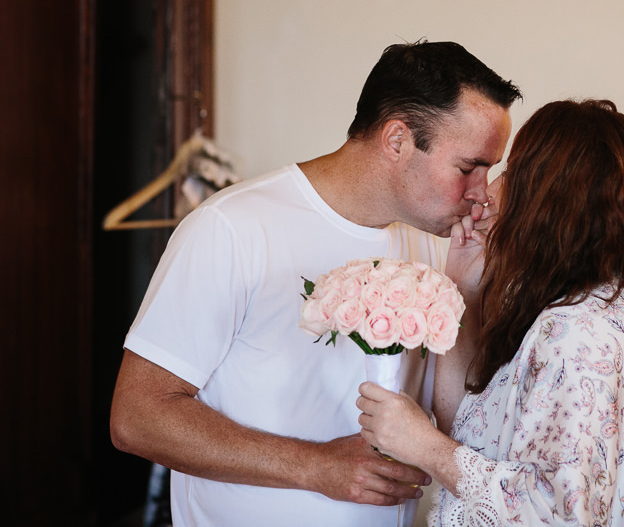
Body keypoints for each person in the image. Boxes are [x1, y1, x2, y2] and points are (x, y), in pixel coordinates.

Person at [109, 40, 521, 527]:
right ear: (396, 140)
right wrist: (314, 465)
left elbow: (457, 428)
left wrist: (464, 288)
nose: (482, 194)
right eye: (469, 167)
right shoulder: (233, 228)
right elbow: (136, 417)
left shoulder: (438, 247)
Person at [357, 99, 624, 526]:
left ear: (551, 198)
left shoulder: (578, 334)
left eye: (512, 173)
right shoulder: (574, 307)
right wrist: (464, 288)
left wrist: (422, 445)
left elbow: (549, 514)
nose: (490, 192)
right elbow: (470, 431)